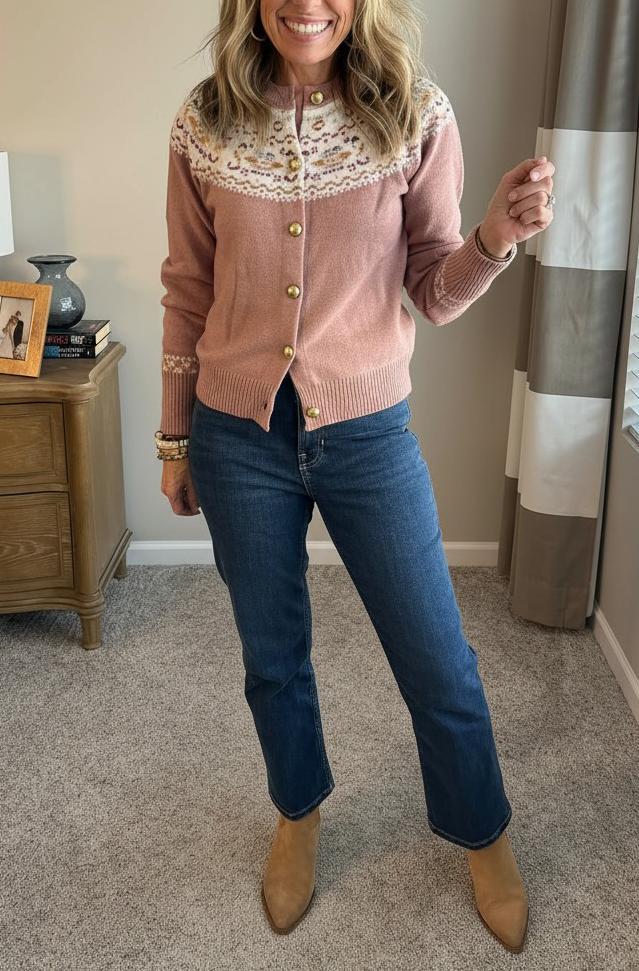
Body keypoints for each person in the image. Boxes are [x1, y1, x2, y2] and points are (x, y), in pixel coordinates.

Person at [156, 0, 555, 952]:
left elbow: (432, 289)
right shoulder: (203, 121)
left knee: (435, 654)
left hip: (367, 430)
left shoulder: (415, 113)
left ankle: (482, 830)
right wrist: (175, 438)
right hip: (235, 432)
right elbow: (187, 288)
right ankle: (296, 813)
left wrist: (492, 238)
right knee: (271, 653)